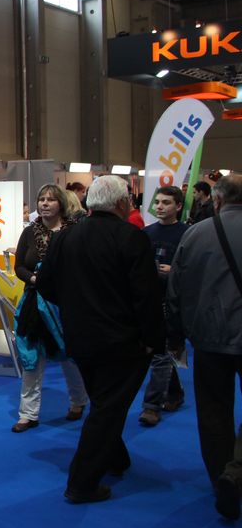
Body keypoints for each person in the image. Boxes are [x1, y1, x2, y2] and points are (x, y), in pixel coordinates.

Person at [37, 175, 165, 504]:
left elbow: (45, 284)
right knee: (107, 408)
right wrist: (154, 339)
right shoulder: (131, 238)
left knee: (105, 402)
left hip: (80, 336)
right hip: (123, 341)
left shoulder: (66, 237)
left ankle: (115, 458)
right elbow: (146, 295)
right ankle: (81, 482)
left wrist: (74, 304)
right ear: (122, 203)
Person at [167, 174, 242, 520]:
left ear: (217, 200)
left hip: (208, 337)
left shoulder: (195, 234)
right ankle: (236, 471)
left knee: (213, 410)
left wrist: (175, 335)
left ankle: (221, 476)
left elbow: (175, 288)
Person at [10, 184, 87, 433]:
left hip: (65, 304)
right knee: (32, 358)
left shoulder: (74, 232)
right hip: (34, 302)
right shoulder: (29, 232)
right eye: (41, 199)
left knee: (70, 357)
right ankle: (28, 414)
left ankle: (78, 401)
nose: (44, 203)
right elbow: (19, 266)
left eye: (50, 200)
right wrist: (35, 279)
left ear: (61, 204)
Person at [138, 186, 189, 427]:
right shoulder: (146, 233)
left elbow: (194, 268)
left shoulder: (187, 234)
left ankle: (151, 406)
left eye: (165, 202)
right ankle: (175, 392)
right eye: (157, 202)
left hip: (174, 303)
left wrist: (175, 272)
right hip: (150, 300)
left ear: (178, 206)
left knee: (160, 353)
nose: (159, 206)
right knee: (160, 353)